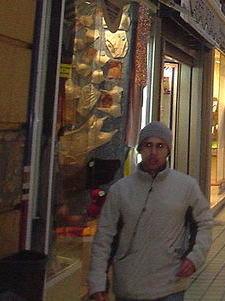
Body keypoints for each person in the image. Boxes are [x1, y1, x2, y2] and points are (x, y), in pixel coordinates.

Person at [88, 121, 213, 301]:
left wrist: (195, 257)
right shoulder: (121, 190)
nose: (153, 152)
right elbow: (104, 237)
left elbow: (204, 222)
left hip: (170, 285)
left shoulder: (186, 187)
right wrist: (98, 281)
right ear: (139, 149)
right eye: (148, 145)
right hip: (129, 286)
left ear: (168, 150)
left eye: (160, 146)